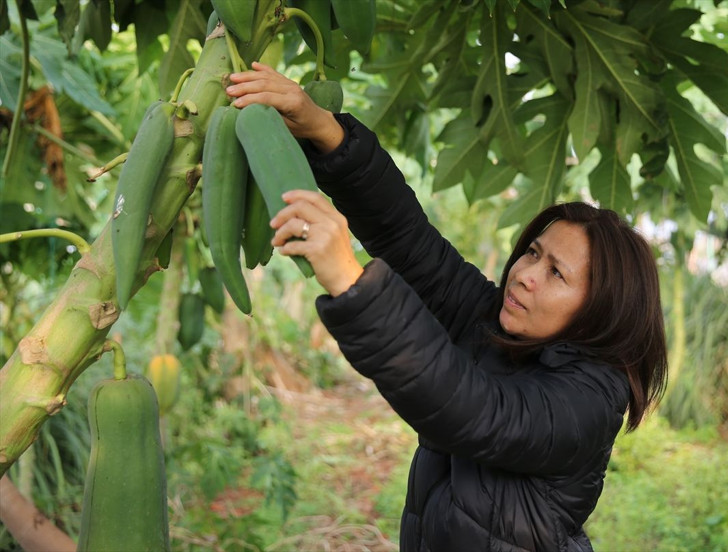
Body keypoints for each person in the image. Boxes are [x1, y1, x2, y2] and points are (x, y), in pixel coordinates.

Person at [227, 62, 668, 552]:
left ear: (600, 310)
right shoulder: (502, 330)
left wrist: (349, 278)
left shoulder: (588, 402)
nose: (523, 273)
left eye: (555, 273)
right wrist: (325, 129)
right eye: (533, 252)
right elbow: (410, 243)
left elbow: (472, 411)